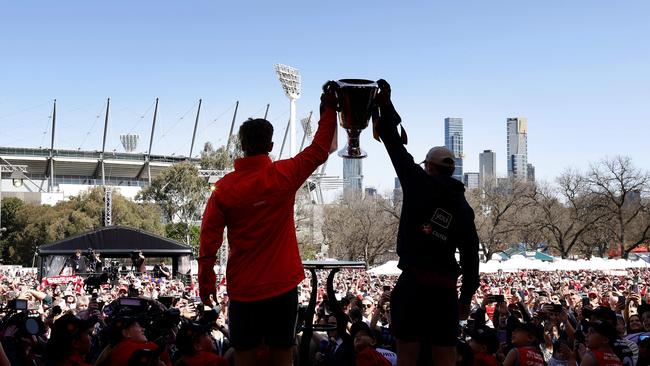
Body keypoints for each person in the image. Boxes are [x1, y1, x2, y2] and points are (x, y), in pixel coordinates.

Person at [198, 81, 340, 366]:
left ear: (241, 146)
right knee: (283, 355)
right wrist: (328, 108)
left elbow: (208, 238)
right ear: (271, 145)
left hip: (244, 289)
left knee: (245, 357)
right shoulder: (284, 175)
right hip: (281, 286)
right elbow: (320, 148)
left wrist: (206, 282)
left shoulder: (224, 188)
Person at [374, 79, 480, 366]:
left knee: (406, 355)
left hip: (412, 285)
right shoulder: (464, 208)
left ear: (429, 166)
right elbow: (471, 256)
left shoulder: (417, 183)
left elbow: (391, 140)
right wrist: (466, 297)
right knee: (444, 356)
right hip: (445, 292)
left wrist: (385, 105)